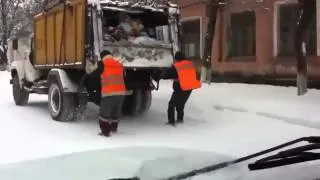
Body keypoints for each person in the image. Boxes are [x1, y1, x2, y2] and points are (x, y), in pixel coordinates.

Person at [85, 50, 127, 136]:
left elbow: (92, 73)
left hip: (109, 92)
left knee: (105, 112)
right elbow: (124, 76)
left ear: (102, 56)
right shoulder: (119, 64)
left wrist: (88, 63)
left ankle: (105, 132)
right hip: (121, 92)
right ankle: (113, 128)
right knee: (116, 111)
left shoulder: (102, 63)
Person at [155, 51, 201, 126]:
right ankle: (180, 119)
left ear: (177, 59)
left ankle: (171, 122)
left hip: (181, 87)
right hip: (189, 88)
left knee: (171, 104)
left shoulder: (177, 66)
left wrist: (159, 74)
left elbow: (166, 75)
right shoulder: (190, 64)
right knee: (180, 104)